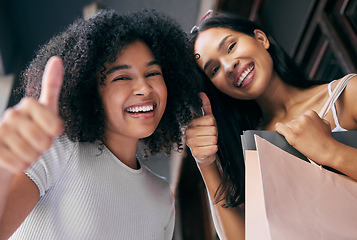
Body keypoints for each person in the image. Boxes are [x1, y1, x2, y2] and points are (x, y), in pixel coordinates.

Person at [0, 9, 202, 239]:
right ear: (92, 95)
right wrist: (4, 166)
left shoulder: (162, 196)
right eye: (122, 77)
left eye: (153, 73)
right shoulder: (56, 151)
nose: (144, 88)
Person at [185, 11, 357, 239]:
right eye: (214, 69)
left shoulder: (348, 94)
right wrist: (205, 164)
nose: (228, 65)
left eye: (230, 47)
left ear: (260, 38)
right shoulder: (251, 151)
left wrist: (330, 151)